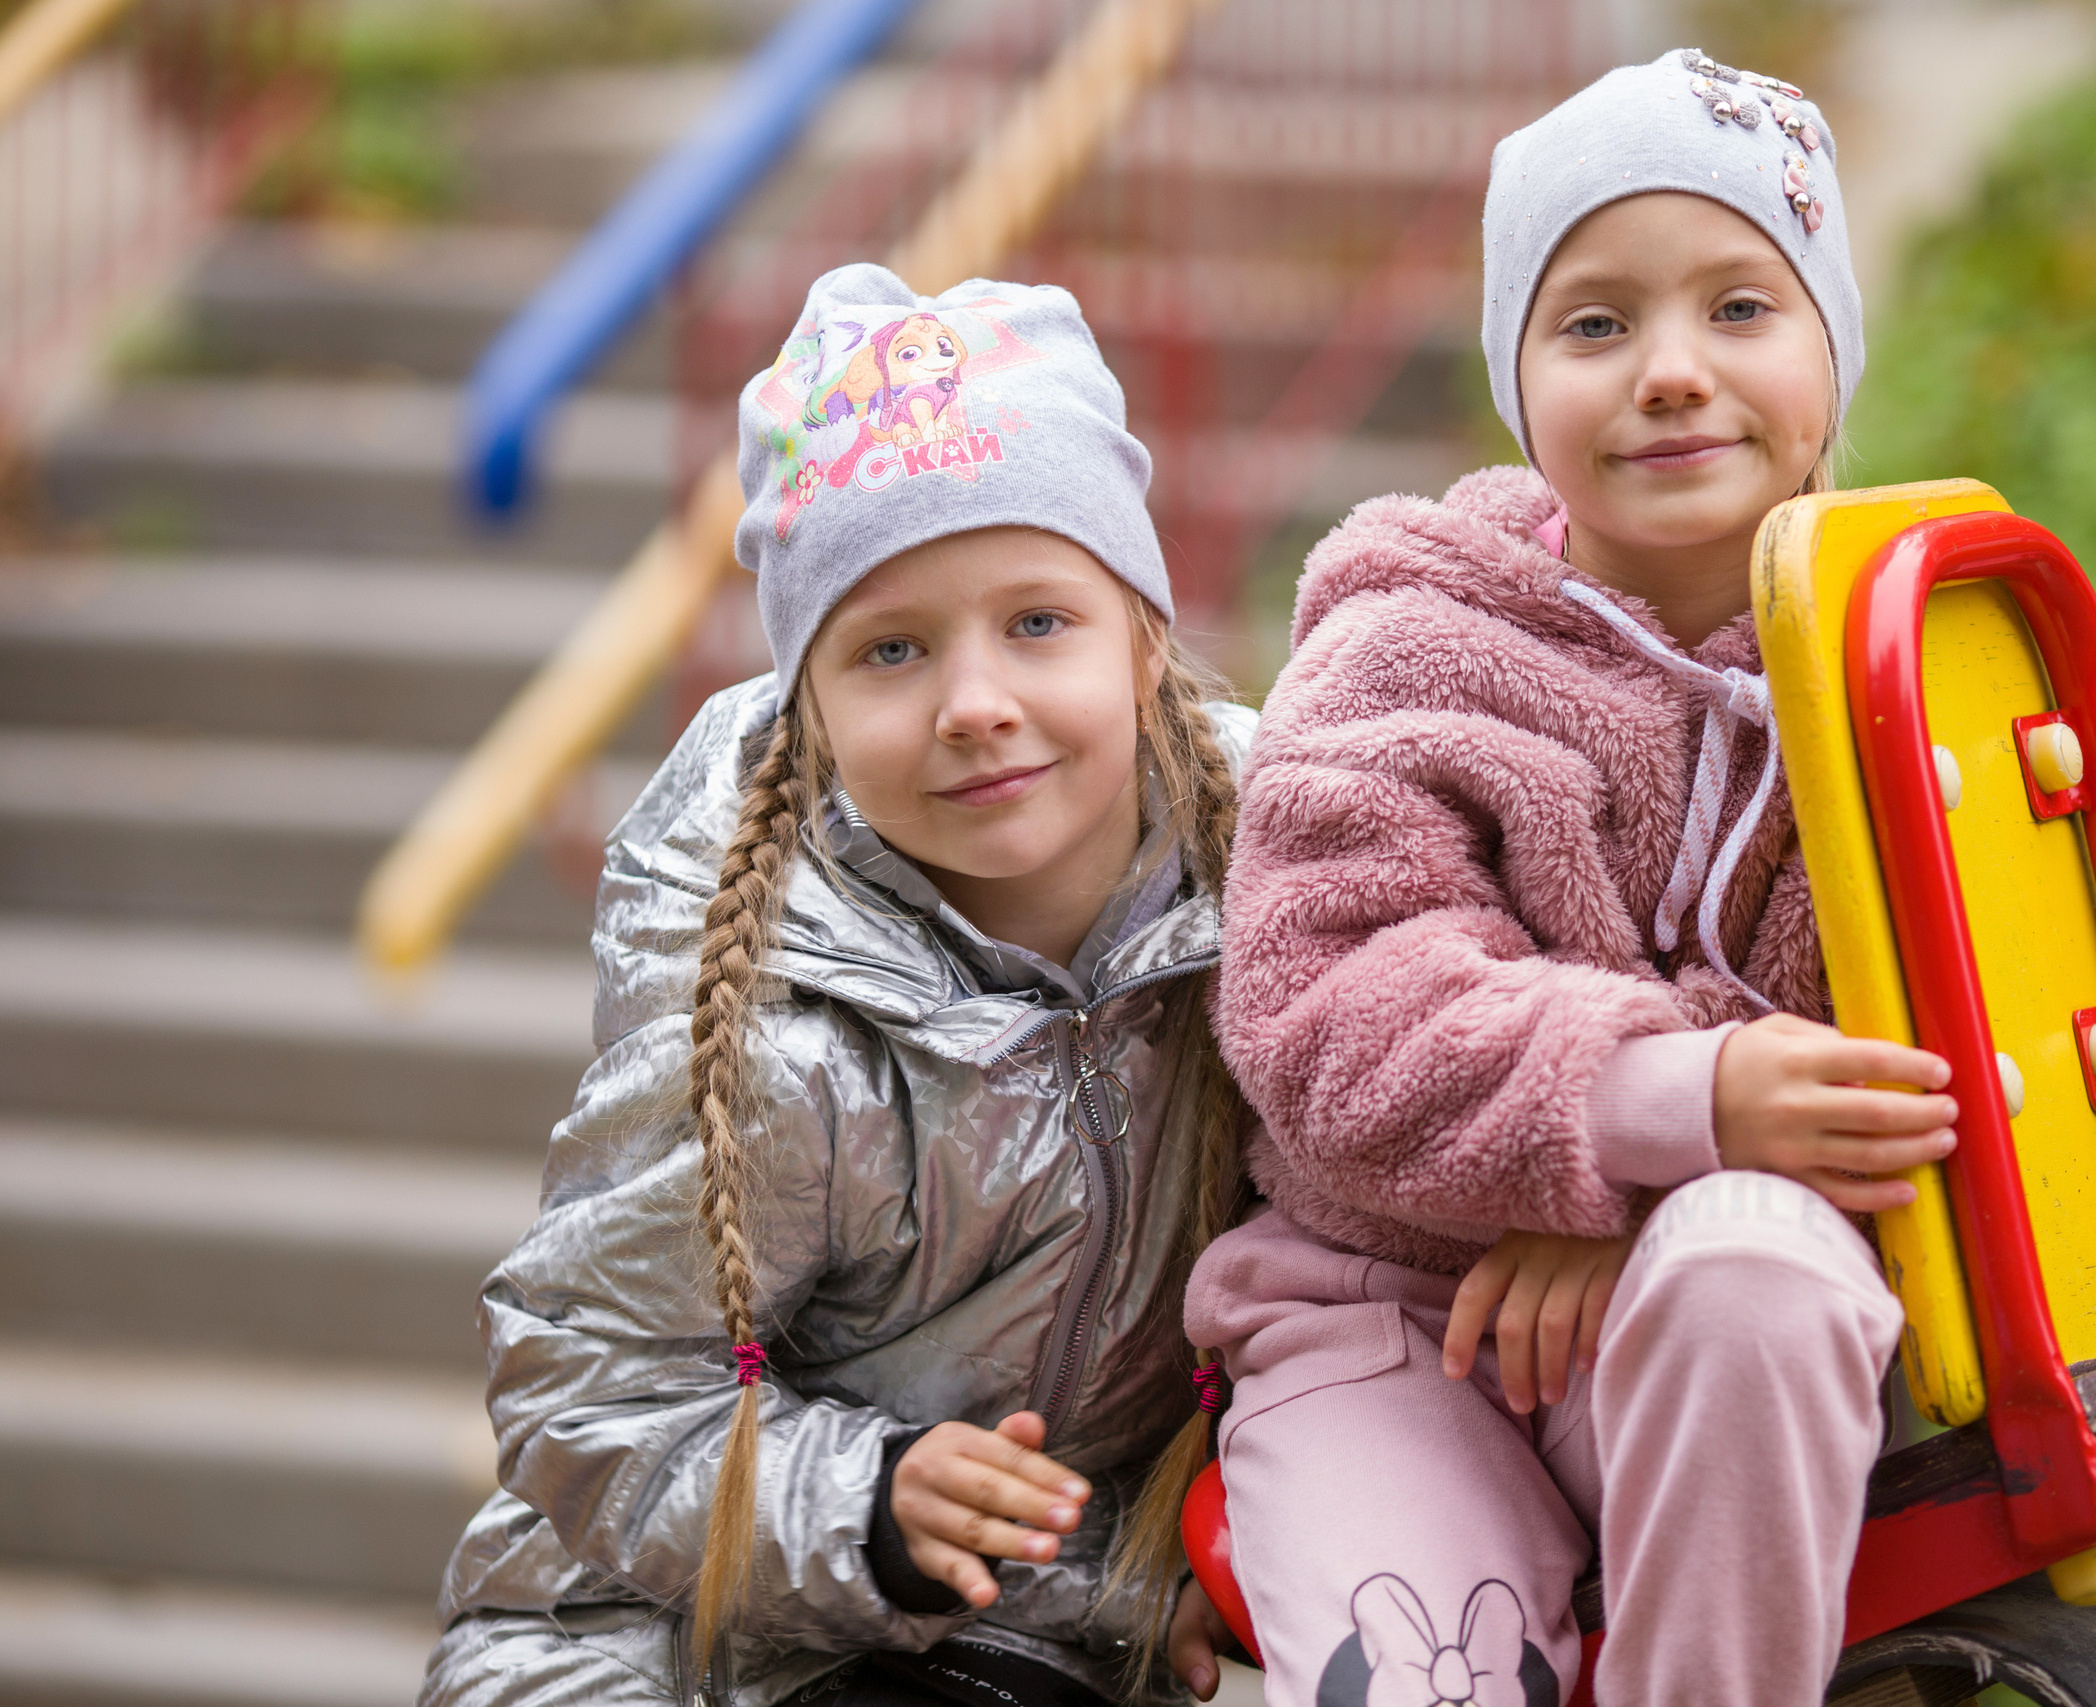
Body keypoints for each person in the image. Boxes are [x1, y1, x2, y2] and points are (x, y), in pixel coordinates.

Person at [1191, 53, 1960, 1707]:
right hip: (1392, 1323)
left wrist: (1681, 1185)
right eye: (1595, 325)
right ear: (1518, 382)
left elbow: (1947, 1051)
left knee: (1753, 1263)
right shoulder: (1407, 654)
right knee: (1429, 1675)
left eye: (1741, 307)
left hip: (1707, 1328)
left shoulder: (1917, 665)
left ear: (1836, 346)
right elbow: (1327, 1008)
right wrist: (1661, 1105)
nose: (1671, 373)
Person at [422, 268, 1250, 1707]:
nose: (975, 700)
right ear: (809, 699)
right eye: (892, 649)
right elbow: (588, 1397)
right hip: (650, 1646)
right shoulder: (777, 1026)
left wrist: (1149, 1564)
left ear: (1145, 634)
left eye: (1039, 622)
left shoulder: (1285, 888)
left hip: (1017, 1641)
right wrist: (867, 1505)